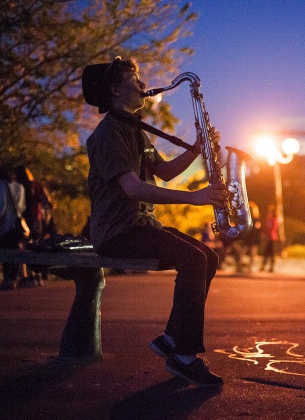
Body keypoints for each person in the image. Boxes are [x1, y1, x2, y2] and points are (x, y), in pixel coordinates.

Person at [82, 57, 229, 386]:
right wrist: (195, 197)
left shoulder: (133, 129)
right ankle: (185, 356)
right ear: (116, 89)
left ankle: (173, 340)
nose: (141, 84)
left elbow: (162, 173)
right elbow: (132, 189)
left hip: (140, 227)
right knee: (192, 259)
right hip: (118, 233)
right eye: (134, 79)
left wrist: (195, 149)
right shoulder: (108, 134)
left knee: (208, 256)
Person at [15, 165, 52, 287]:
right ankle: (38, 276)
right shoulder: (38, 185)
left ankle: (28, 276)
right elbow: (48, 200)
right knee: (36, 246)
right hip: (37, 219)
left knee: (26, 247)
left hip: (25, 219)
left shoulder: (21, 186)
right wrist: (45, 214)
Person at [0, 169, 27, 290]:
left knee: (5, 250)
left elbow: (2, 205)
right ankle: (13, 278)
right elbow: (22, 206)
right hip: (17, 224)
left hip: (7, 224)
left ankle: (8, 278)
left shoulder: (3, 186)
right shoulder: (20, 187)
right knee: (15, 250)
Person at [242, 201, 261, 272]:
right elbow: (258, 229)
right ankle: (246, 267)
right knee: (248, 254)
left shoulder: (254, 219)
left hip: (251, 238)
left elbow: (258, 229)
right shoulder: (249, 219)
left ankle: (247, 268)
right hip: (250, 238)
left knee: (250, 254)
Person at [259, 204, 279, 272]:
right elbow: (265, 228)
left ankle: (271, 267)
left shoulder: (274, 220)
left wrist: (267, 233)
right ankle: (263, 267)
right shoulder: (268, 220)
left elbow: (272, 229)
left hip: (272, 238)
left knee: (272, 254)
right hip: (268, 238)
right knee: (266, 253)